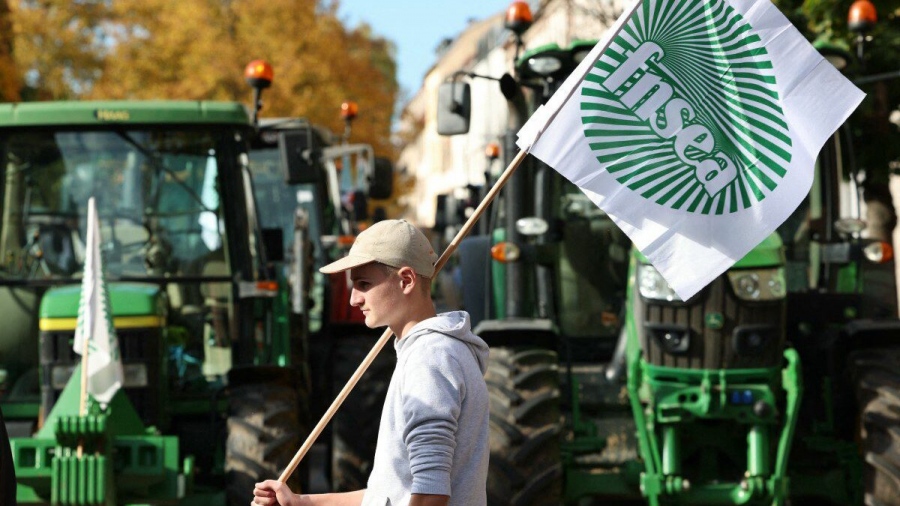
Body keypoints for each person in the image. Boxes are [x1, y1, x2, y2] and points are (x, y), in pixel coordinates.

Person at [253, 219, 490, 506]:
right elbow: (389, 495)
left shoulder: (430, 359)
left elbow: (430, 495)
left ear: (406, 280)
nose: (354, 299)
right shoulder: (434, 351)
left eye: (364, 284)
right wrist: (300, 501)